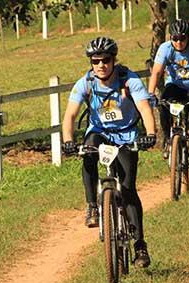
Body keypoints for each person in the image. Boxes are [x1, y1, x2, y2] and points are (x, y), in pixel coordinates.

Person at [62, 37, 157, 268]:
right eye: (96, 61)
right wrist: (67, 140)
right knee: (88, 150)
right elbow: (70, 115)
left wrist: (151, 134)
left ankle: (140, 245)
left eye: (105, 60)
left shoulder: (129, 79)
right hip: (100, 132)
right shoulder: (85, 83)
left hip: (126, 135)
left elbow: (144, 108)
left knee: (127, 189)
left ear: (114, 60)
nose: (101, 65)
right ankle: (92, 206)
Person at [148, 18, 189, 186]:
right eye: (174, 38)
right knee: (163, 104)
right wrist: (150, 93)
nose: (178, 42)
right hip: (176, 87)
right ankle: (168, 140)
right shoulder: (165, 48)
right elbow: (156, 72)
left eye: (182, 38)